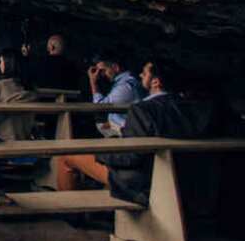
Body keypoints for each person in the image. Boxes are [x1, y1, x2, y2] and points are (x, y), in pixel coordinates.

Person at [55, 59, 241, 204]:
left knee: (67, 156)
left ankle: (73, 219)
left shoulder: (143, 109)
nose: (140, 75)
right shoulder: (203, 109)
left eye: (144, 73)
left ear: (156, 82)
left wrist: (99, 151)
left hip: (147, 184)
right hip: (196, 183)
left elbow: (130, 158)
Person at [88, 51, 146, 131]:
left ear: (115, 67)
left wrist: (93, 82)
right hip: (119, 128)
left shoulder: (125, 85)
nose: (101, 74)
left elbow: (100, 107)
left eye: (103, 70)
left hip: (127, 132)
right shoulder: (122, 82)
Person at [0, 49, 38, 141]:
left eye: (1, 61)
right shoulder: (30, 88)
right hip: (25, 137)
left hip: (2, 138)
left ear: (7, 64)